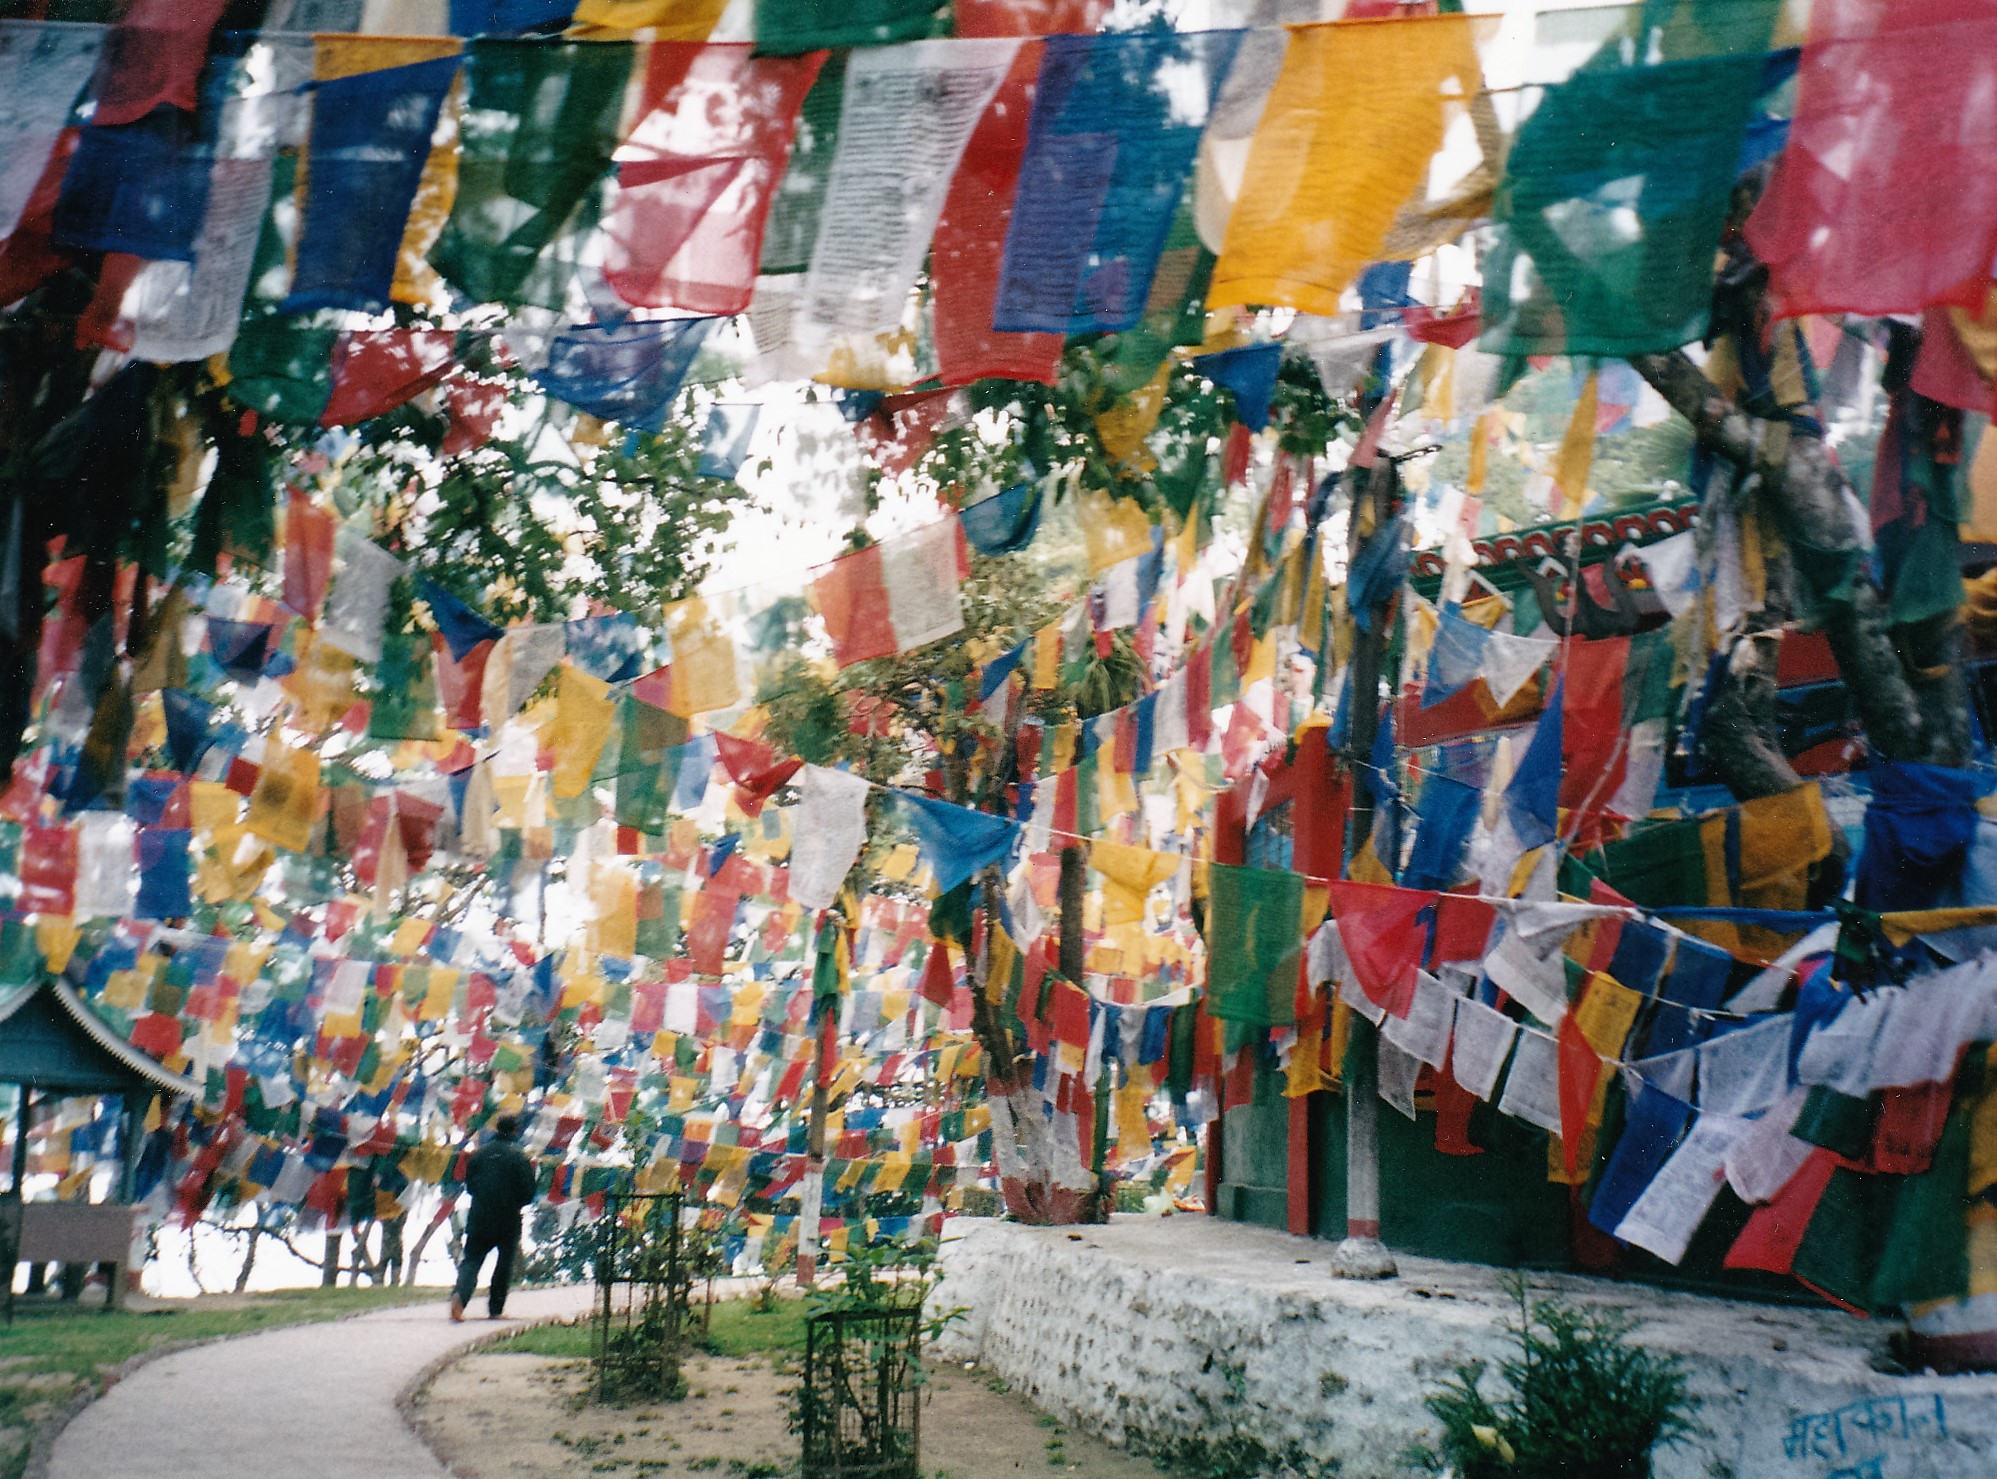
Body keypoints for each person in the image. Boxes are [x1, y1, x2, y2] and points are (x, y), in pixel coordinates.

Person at [451, 1113, 537, 1321]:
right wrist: (516, 1202)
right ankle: (495, 1309)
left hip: (479, 1215)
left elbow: (469, 1186)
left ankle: (459, 1299)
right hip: (508, 1217)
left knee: (471, 1259)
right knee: (504, 1263)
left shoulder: (479, 1154)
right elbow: (528, 1191)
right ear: (515, 1130)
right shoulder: (519, 1156)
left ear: (496, 1128)